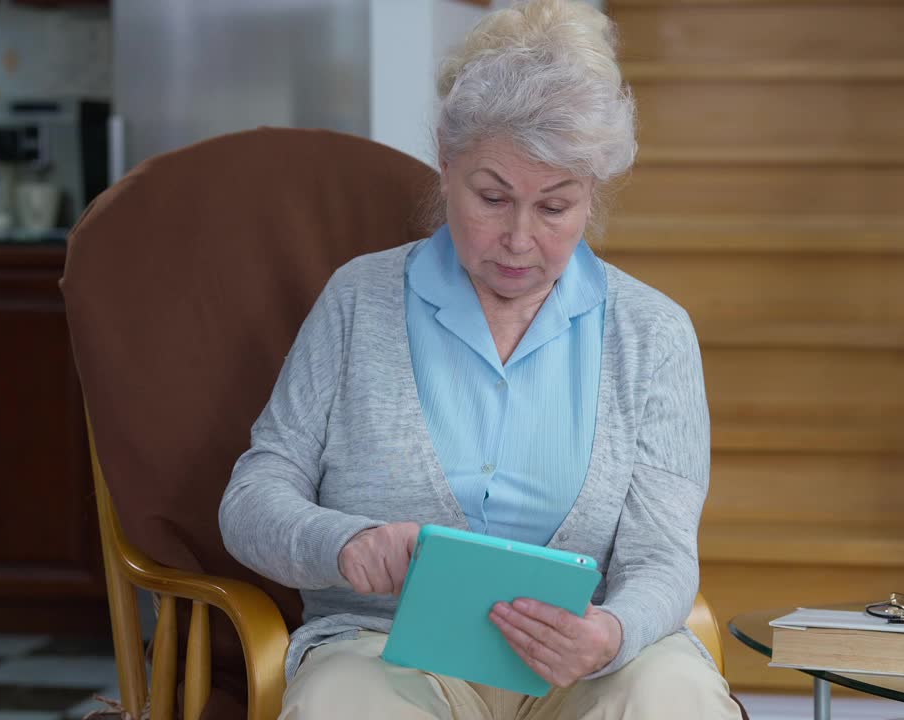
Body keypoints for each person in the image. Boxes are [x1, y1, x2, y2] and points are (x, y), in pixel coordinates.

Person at [219, 1, 740, 717]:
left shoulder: (653, 334)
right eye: (492, 198)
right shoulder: (359, 301)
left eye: (555, 207)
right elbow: (252, 497)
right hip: (387, 651)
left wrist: (610, 632)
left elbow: (663, 557)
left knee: (671, 696)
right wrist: (343, 542)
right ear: (446, 161)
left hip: (584, 670)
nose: (519, 240)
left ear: (592, 193)